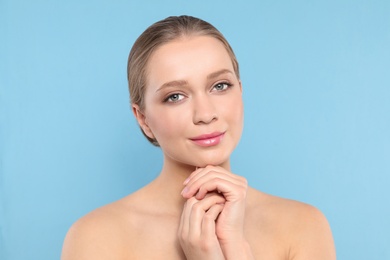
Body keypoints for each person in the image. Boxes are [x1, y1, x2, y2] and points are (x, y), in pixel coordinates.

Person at [61, 15, 336, 259]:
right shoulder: (96, 237)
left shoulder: (303, 226)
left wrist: (234, 250)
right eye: (175, 96)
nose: (205, 114)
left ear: (240, 91)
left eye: (220, 86)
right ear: (142, 118)